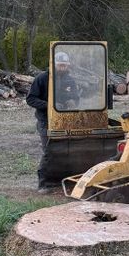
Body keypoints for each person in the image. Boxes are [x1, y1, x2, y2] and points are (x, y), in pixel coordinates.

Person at [26, 51, 80, 189]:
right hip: (46, 120)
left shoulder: (70, 80)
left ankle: (63, 180)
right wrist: (49, 105)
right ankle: (44, 183)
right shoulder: (42, 78)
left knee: (67, 150)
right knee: (50, 150)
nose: (62, 68)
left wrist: (72, 101)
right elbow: (30, 99)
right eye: (60, 65)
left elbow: (76, 97)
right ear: (54, 65)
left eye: (65, 66)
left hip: (65, 120)